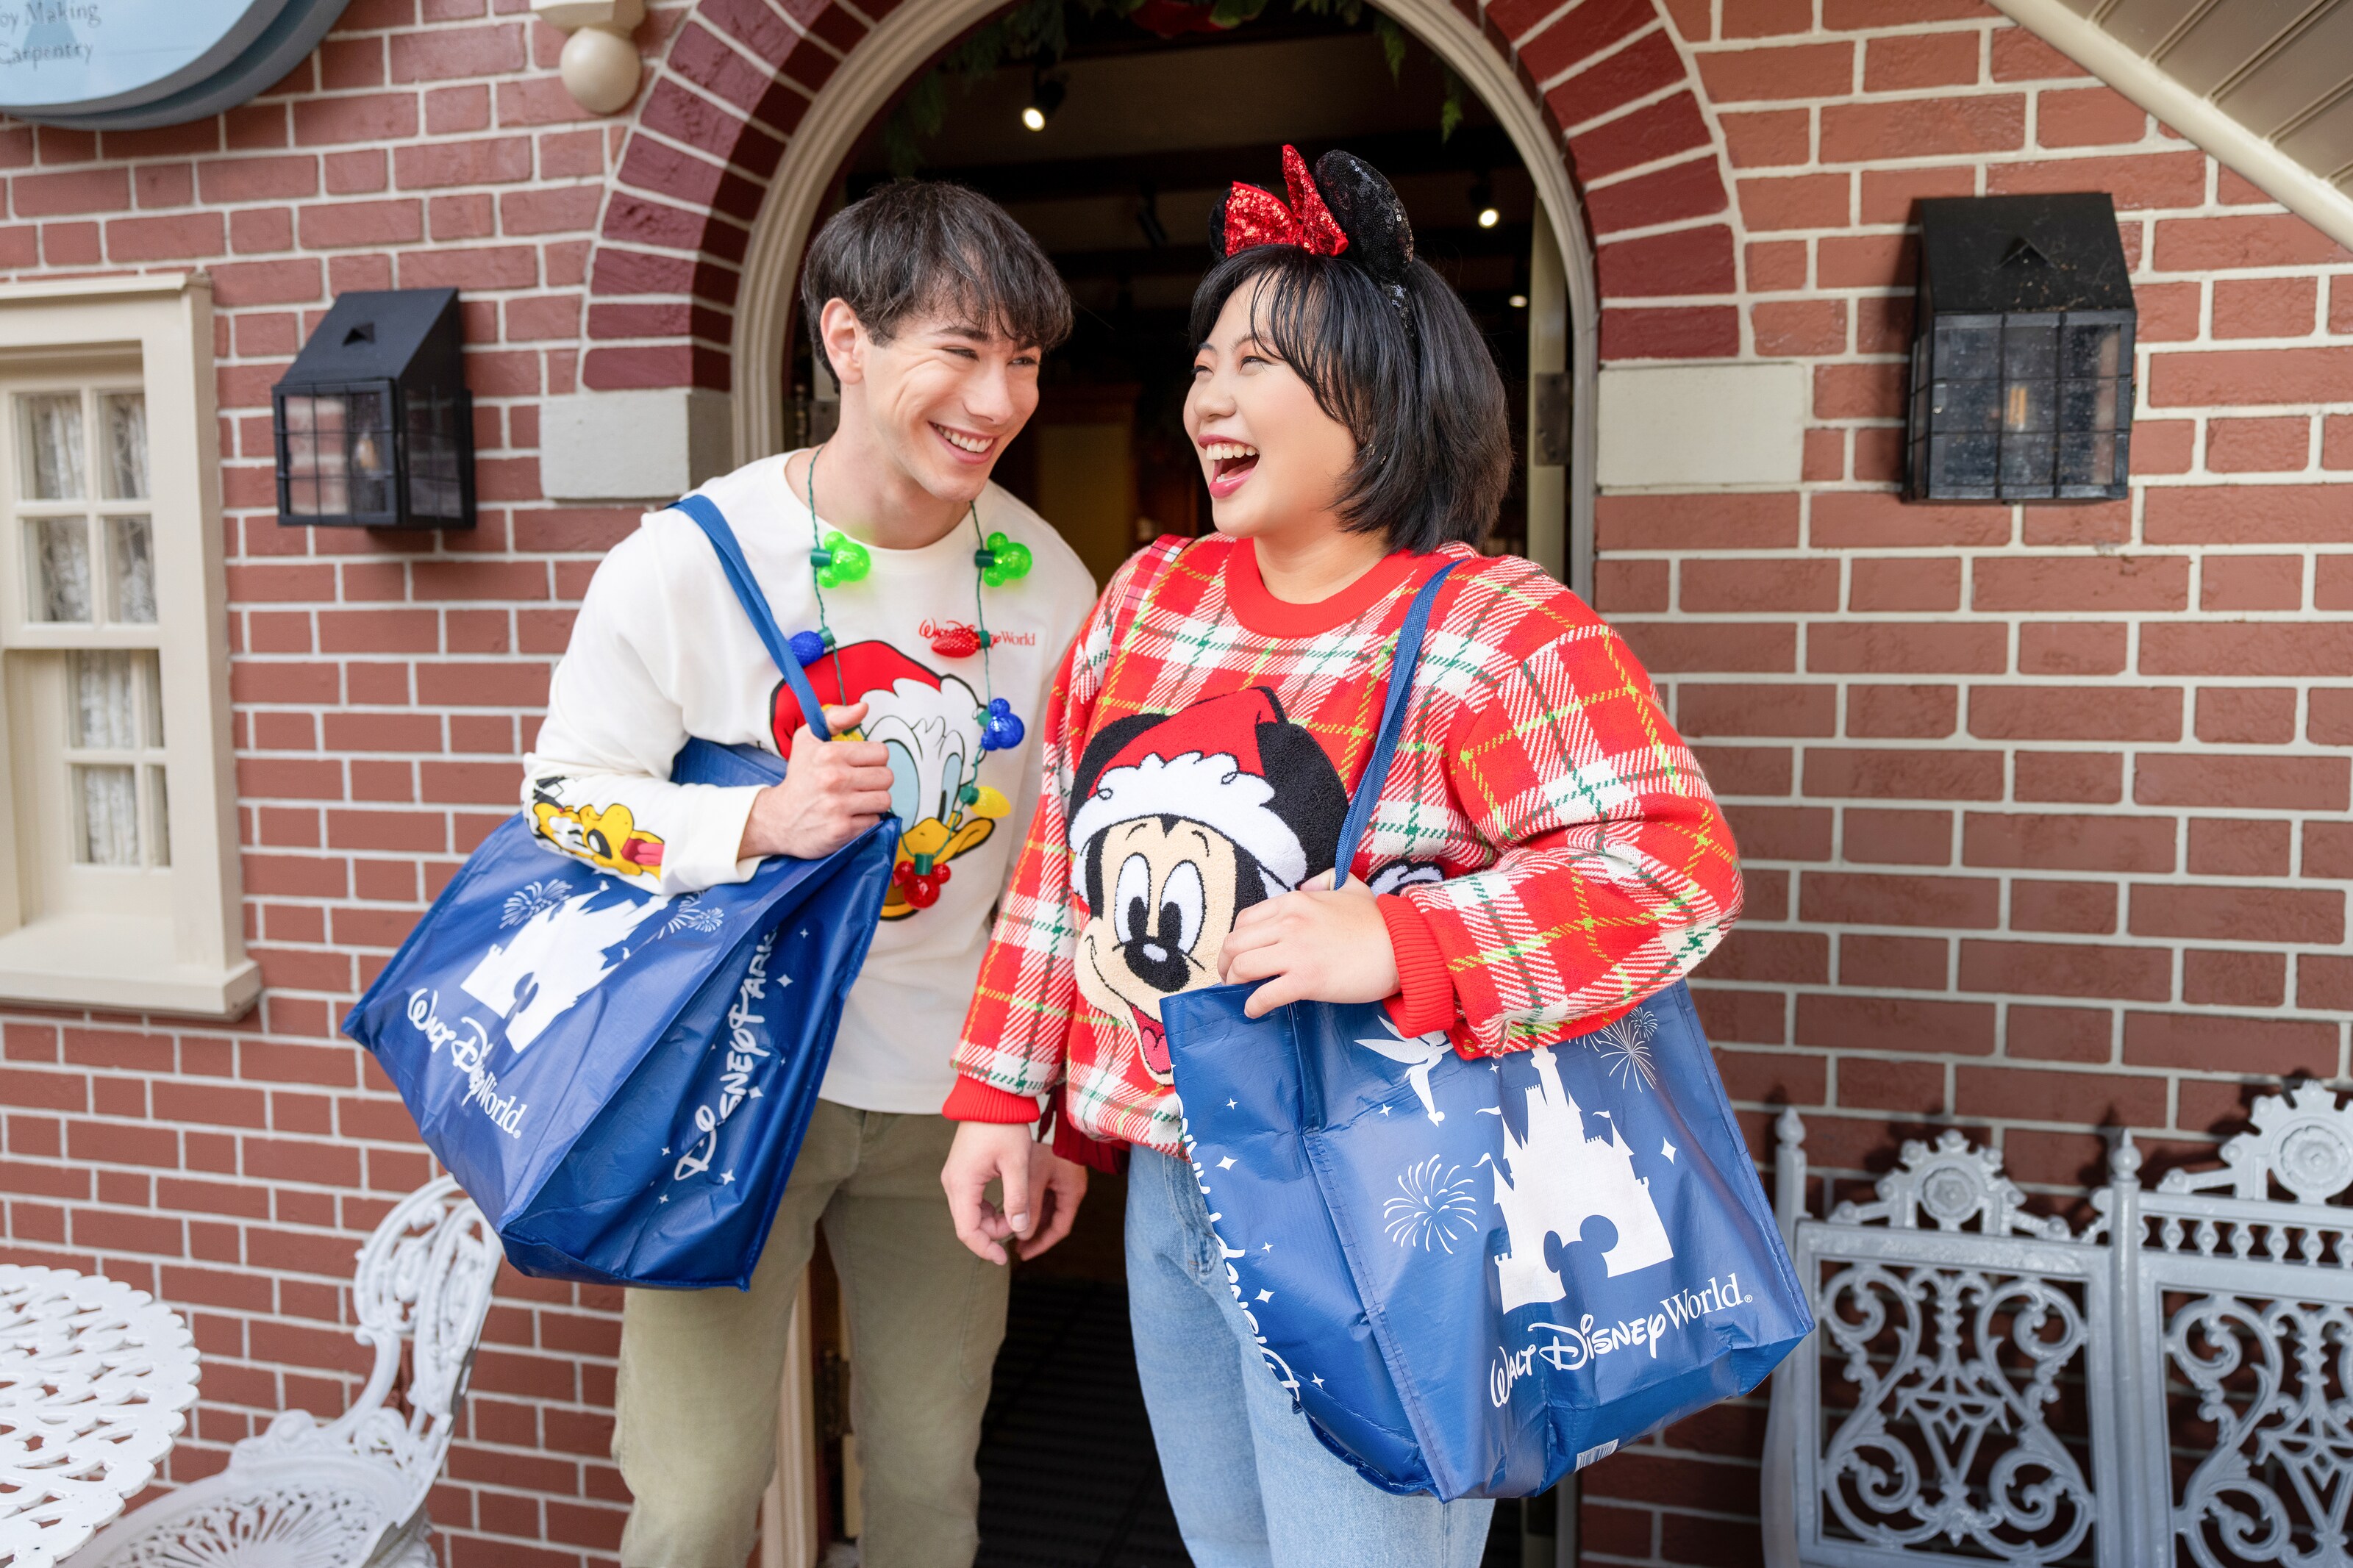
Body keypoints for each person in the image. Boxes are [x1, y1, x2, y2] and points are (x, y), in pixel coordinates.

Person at [939, 147, 1743, 1567]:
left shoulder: (1503, 628)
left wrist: (1404, 942)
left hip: (1387, 1190)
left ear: (1375, 392)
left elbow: (1673, 870)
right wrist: (1017, 1102)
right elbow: (1068, 874)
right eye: (1204, 362)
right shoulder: (1150, 597)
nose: (1207, 398)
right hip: (1179, 1190)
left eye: (1254, 362)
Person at [524, 180, 1099, 1568]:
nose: (998, 395)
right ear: (845, 336)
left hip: (955, 1105)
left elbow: (1067, 874)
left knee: (926, 1481)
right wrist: (758, 822)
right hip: (731, 1084)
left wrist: (1055, 1105)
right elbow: (558, 802)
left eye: (1023, 358)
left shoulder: (1053, 586)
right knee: (698, 1496)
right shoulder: (689, 564)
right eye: (960, 348)